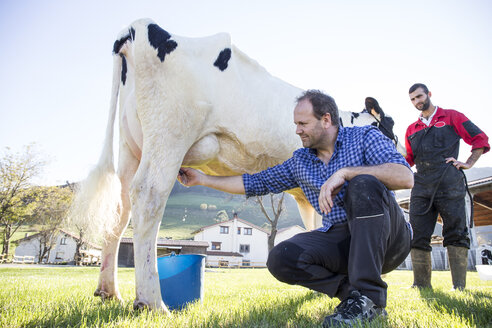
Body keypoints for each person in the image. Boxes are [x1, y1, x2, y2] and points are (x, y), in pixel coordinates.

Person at [179, 90, 413, 327]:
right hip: (345, 241)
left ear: (326, 120)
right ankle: (355, 297)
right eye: (296, 124)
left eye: (303, 123)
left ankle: (371, 297)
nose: (297, 130)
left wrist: (346, 173)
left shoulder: (365, 137)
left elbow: (405, 177)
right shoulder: (300, 162)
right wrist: (202, 179)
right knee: (281, 258)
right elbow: (254, 182)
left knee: (363, 184)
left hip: (389, 239)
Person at [405, 83, 489, 290]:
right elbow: (408, 160)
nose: (417, 102)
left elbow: (480, 139)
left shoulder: (452, 117)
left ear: (429, 94)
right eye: (413, 99)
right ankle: (421, 285)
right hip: (421, 186)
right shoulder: (411, 129)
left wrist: (468, 163)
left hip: (449, 182)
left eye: (419, 96)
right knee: (416, 234)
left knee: (456, 232)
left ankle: (458, 286)